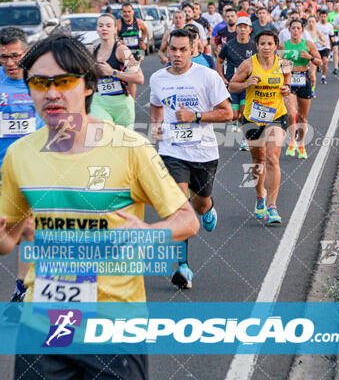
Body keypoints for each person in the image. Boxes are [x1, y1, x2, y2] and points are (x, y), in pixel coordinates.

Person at [0, 33, 199, 380]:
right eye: (39, 83)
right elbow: (8, 238)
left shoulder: (130, 147)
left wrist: (151, 234)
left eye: (63, 81)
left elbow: (186, 219)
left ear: (88, 86)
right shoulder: (20, 154)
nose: (51, 93)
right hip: (43, 325)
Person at [150, 29, 232, 288]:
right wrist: (155, 125)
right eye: (173, 49)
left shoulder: (207, 77)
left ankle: (208, 208)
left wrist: (195, 116)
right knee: (178, 205)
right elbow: (155, 104)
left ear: (193, 49)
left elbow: (227, 113)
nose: (177, 54)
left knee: (199, 204)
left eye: (183, 49)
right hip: (172, 151)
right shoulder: (158, 78)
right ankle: (183, 268)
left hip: (204, 152)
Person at [0, 27, 45, 302]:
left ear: (26, 53)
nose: (9, 62)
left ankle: (22, 287)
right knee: (10, 231)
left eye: (14, 56)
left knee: (29, 227)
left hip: (30, 167)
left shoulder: (39, 81)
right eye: (3, 57)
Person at [229, 30, 291, 223]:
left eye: (270, 44)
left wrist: (286, 88)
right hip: (252, 118)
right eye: (262, 44)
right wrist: (247, 83)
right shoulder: (248, 65)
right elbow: (232, 86)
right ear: (257, 45)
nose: (266, 47)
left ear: (275, 45)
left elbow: (287, 83)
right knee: (258, 159)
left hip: (276, 115)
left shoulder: (284, 64)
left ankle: (272, 206)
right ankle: (259, 197)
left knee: (272, 158)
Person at [90, 13, 144, 128]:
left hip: (122, 103)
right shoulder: (91, 50)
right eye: (100, 26)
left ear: (115, 29)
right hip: (99, 101)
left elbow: (139, 79)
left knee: (123, 142)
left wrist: (112, 72)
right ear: (97, 29)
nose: (104, 28)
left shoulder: (123, 50)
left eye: (108, 26)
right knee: (103, 134)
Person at [280, 19, 321, 159]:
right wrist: (282, 65)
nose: (296, 31)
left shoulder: (308, 44)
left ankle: (301, 144)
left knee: (303, 117)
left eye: (298, 28)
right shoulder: (283, 46)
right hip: (289, 80)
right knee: (291, 113)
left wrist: (309, 57)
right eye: (293, 28)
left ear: (302, 31)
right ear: (289, 30)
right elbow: (275, 64)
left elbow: (319, 61)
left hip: (304, 79)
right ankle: (292, 141)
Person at [216, 17, 256, 149]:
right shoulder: (229, 45)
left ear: (250, 30)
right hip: (232, 85)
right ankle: (238, 124)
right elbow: (219, 61)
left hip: (248, 85)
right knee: (234, 114)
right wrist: (222, 77)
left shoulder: (254, 46)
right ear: (236, 29)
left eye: (245, 27)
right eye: (240, 26)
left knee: (244, 113)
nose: (243, 29)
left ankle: (245, 140)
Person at [305, 14, 326, 97]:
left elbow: (324, 41)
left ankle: (312, 91)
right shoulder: (303, 31)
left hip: (313, 56)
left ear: (315, 22)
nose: (311, 23)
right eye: (309, 21)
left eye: (313, 22)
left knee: (312, 74)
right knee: (303, 74)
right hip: (304, 55)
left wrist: (322, 43)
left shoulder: (317, 31)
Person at [316, 10, 335, 84]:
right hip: (317, 46)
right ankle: (318, 67)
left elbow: (332, 36)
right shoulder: (316, 25)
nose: (323, 18)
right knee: (318, 62)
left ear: (327, 17)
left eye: (324, 17)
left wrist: (334, 44)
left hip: (326, 46)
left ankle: (323, 77)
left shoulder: (329, 26)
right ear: (319, 17)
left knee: (325, 61)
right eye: (321, 17)